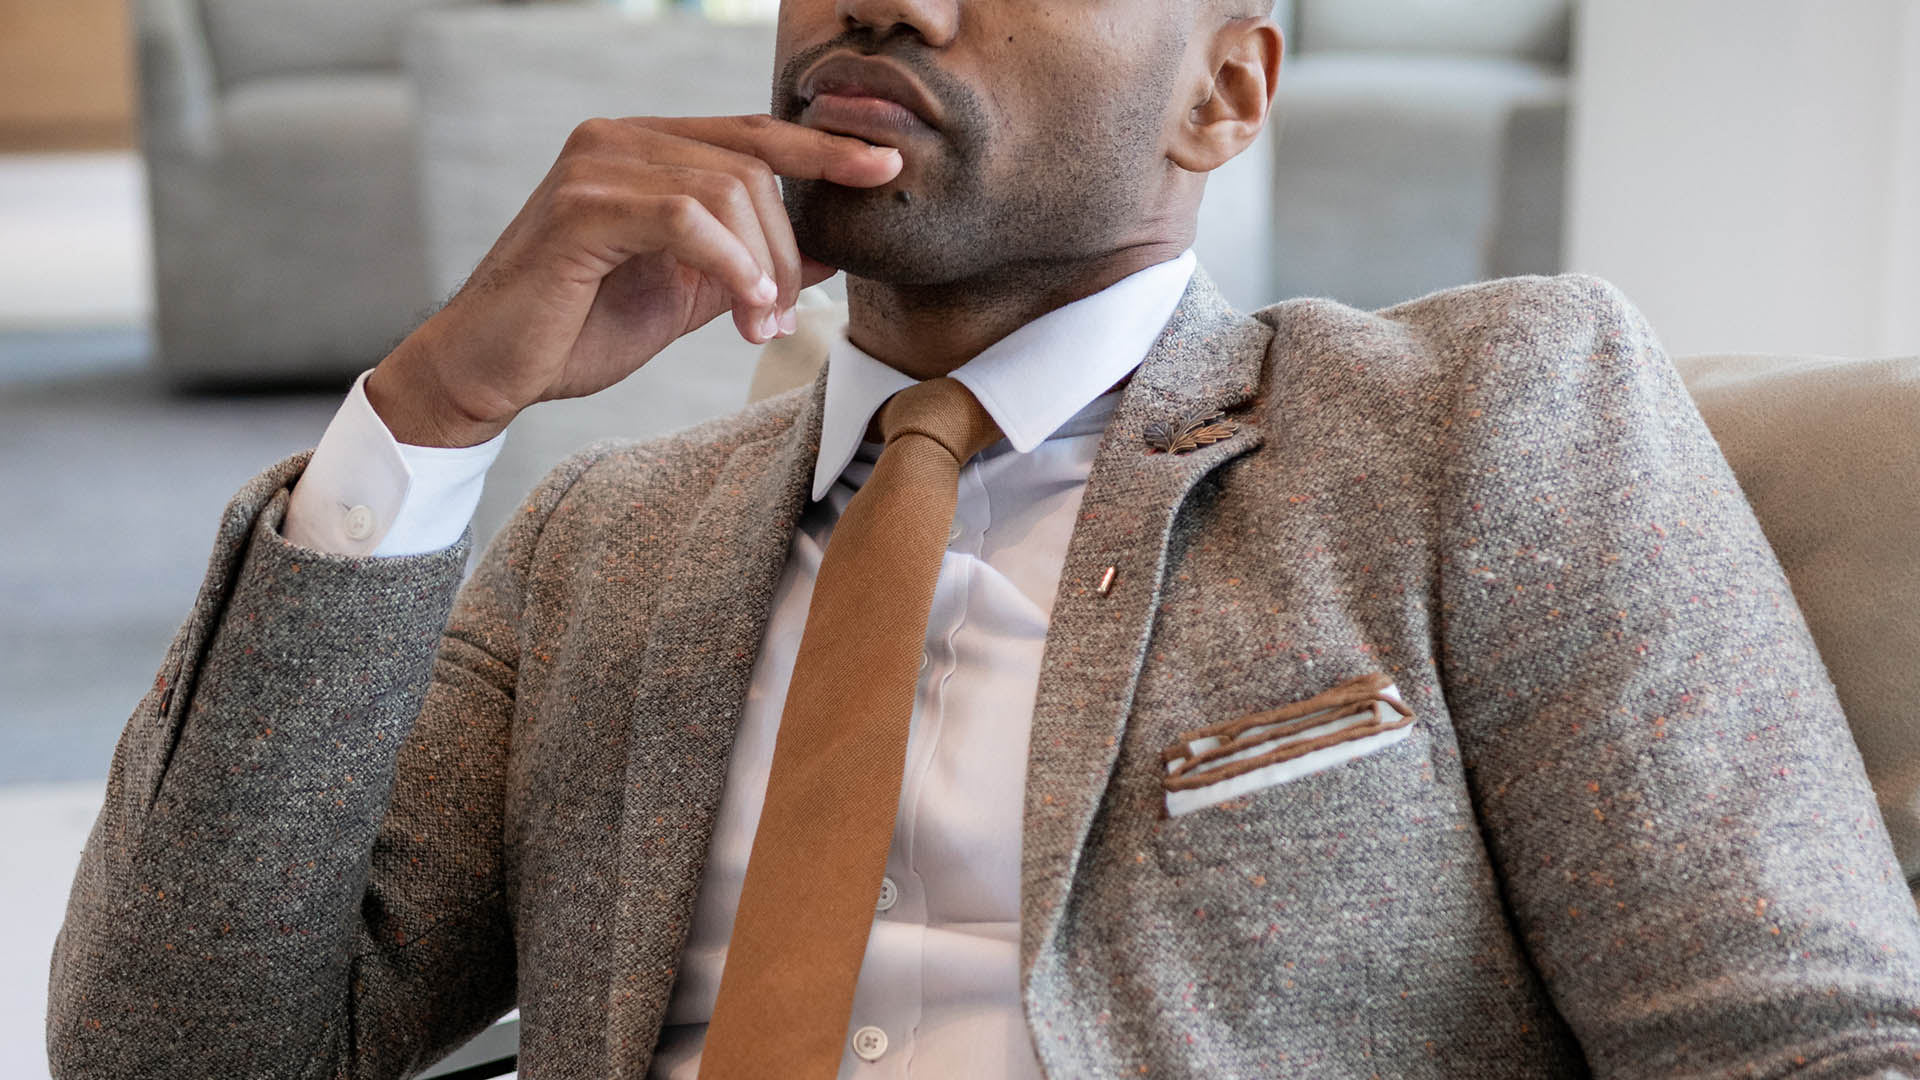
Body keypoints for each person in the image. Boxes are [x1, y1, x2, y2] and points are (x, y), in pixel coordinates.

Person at [47, 0, 1920, 1077]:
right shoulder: (594, 544)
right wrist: (427, 421)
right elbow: (175, 1052)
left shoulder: (1477, 422)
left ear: (1229, 89)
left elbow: (1804, 1044)